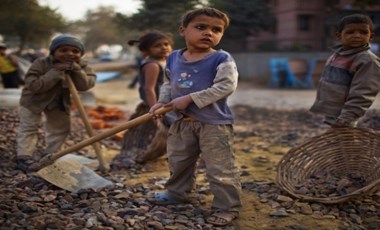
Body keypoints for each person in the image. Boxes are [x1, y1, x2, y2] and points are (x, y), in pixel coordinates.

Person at [148, 8, 241, 226]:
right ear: (183, 30)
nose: (209, 32)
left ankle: (227, 206)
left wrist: (190, 98)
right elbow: (168, 83)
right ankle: (177, 193)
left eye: (216, 30)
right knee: (179, 160)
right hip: (182, 122)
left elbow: (227, 85)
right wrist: (162, 102)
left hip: (213, 124)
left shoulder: (221, 58)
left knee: (220, 167)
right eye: (201, 27)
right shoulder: (173, 58)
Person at [16, 34, 97, 172]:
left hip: (58, 101)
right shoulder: (41, 63)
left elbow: (86, 85)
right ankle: (24, 157)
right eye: (63, 50)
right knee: (29, 127)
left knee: (60, 128)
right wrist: (55, 72)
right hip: (33, 100)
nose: (69, 54)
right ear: (53, 51)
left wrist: (77, 70)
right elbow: (34, 85)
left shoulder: (82, 66)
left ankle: (53, 155)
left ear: (81, 54)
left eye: (75, 51)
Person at [111, 31, 173, 168]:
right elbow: (148, 89)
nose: (164, 47)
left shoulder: (166, 61)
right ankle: (138, 155)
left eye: (166, 44)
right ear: (147, 50)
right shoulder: (152, 65)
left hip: (167, 104)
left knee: (161, 132)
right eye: (157, 46)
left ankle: (158, 153)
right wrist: (155, 109)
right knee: (149, 132)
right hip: (155, 105)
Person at [310, 14, 380, 127]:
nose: (357, 36)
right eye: (350, 32)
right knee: (338, 142)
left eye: (363, 32)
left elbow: (363, 93)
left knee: (346, 141)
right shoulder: (338, 55)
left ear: (371, 36)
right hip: (333, 112)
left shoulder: (367, 61)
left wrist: (347, 118)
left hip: (345, 115)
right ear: (339, 36)